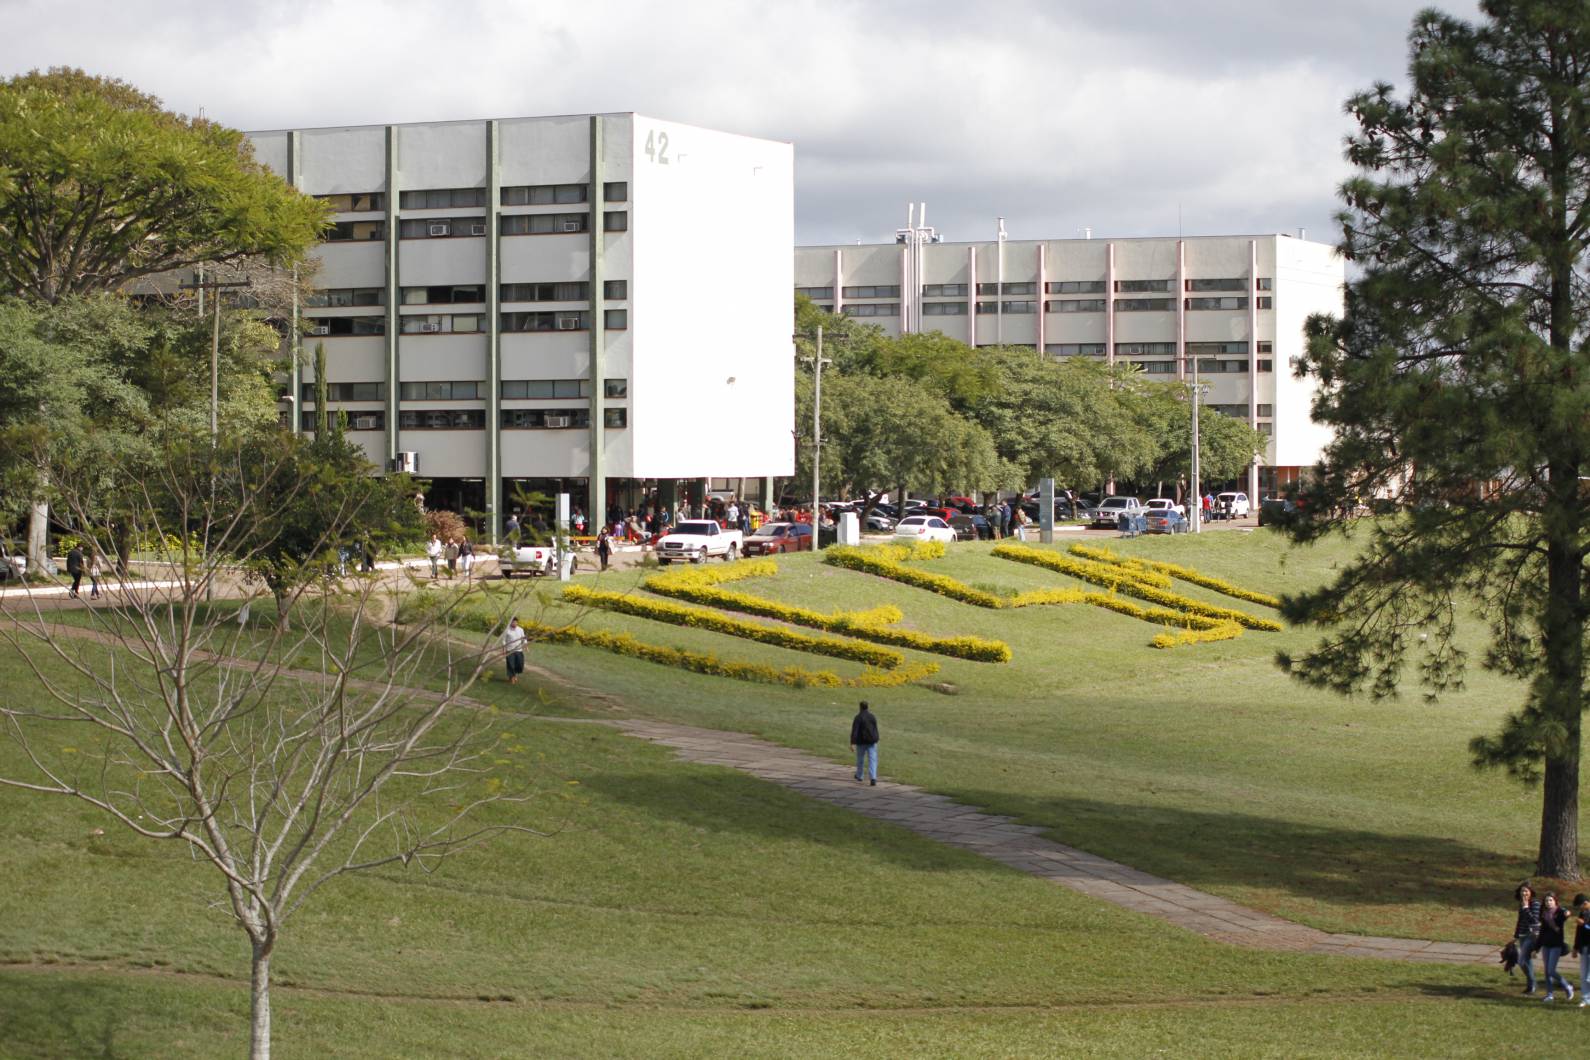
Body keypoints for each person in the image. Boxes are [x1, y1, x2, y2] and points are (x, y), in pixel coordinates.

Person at [1538, 891, 1575, 1001]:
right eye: (1546, 900)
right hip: (1546, 945)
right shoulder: (1544, 914)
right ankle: (1550, 995)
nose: (1548, 902)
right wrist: (1536, 948)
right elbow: (1542, 933)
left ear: (1555, 901)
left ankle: (1567, 986)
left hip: (1556, 945)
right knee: (1547, 971)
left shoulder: (1559, 912)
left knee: (1551, 970)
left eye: (1551, 900)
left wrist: (1567, 913)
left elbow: (1565, 913)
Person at [1514, 880, 1543, 995]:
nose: (1524, 893)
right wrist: (1516, 935)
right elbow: (1520, 920)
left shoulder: (1535, 903)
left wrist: (1526, 908)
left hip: (1532, 935)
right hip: (1522, 935)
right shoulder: (1522, 903)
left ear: (1531, 892)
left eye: (1526, 891)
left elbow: (1534, 921)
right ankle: (1531, 985)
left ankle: (1532, 983)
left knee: (1522, 961)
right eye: (1522, 891)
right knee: (1526, 961)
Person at [850, 700, 880, 786]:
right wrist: (876, 738)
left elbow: (855, 731)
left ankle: (860, 775)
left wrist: (852, 743)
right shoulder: (872, 716)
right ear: (868, 707)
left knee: (860, 759)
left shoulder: (858, 717)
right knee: (872, 760)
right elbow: (875, 729)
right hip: (872, 741)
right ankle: (873, 778)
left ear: (860, 707)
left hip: (861, 742)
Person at [1573, 893, 1590, 1007]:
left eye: (1580, 906)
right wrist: (1575, 947)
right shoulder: (1582, 913)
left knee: (1589, 977)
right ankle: (1585, 998)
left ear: (1585, 903)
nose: (1580, 909)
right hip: (1584, 947)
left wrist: (1584, 924)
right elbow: (1578, 932)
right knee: (1584, 975)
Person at [501, 617, 527, 685]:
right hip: (510, 650)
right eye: (513, 622)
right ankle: (512, 678)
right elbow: (503, 640)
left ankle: (514, 675)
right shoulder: (507, 630)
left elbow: (524, 638)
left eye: (515, 622)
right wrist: (503, 649)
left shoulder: (520, 630)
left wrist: (526, 646)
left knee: (519, 664)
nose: (514, 623)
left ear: (517, 622)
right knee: (511, 665)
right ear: (510, 623)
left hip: (518, 650)